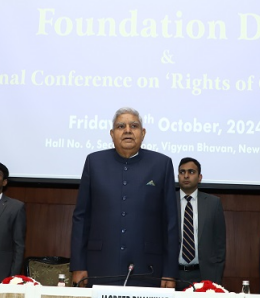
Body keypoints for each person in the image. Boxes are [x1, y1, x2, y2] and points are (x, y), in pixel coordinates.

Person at [70, 108, 180, 287]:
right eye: (121, 126)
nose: (128, 130)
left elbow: (170, 223)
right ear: (112, 134)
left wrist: (169, 272)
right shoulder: (94, 162)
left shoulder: (161, 164)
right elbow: (81, 217)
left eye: (134, 126)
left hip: (148, 268)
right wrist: (78, 265)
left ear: (143, 133)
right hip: (100, 267)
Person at [173, 158, 226, 288]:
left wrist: (215, 278)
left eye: (191, 172)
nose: (186, 175)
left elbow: (220, 245)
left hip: (205, 275)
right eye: (182, 172)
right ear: (178, 176)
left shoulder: (213, 203)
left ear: (199, 177)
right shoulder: (168, 201)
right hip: (174, 275)